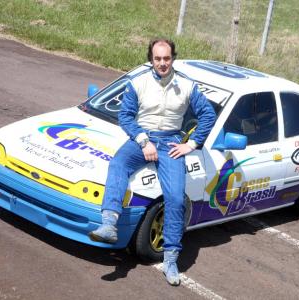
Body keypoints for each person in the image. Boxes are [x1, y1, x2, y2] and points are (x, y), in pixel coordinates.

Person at [89, 38, 216, 286]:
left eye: (166, 58)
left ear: (173, 59)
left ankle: (170, 259)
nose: (162, 63)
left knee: (176, 198)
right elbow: (125, 116)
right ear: (151, 59)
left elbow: (208, 115)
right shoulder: (137, 82)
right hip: (142, 139)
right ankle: (109, 225)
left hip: (171, 143)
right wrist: (143, 140)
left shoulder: (188, 86)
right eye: (157, 59)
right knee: (118, 163)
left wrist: (191, 144)